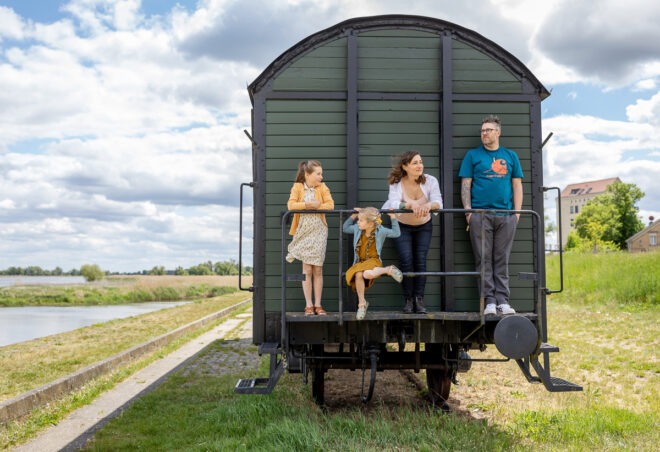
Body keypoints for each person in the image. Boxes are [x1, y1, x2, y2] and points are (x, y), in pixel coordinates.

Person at [458, 115, 523, 316]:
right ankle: (489, 302)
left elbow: (517, 185)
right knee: (483, 259)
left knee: (501, 259)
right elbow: (465, 184)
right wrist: (469, 213)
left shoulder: (510, 156)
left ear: (498, 132)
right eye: (482, 130)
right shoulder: (472, 155)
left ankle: (503, 301)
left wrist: (517, 214)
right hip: (480, 215)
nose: (484, 133)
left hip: (506, 216)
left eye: (488, 130)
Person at [383, 151, 443, 314]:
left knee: (420, 260)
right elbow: (393, 202)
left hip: (424, 225)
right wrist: (409, 206)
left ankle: (419, 299)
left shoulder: (430, 180)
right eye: (415, 163)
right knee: (406, 259)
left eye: (421, 162)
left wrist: (427, 206)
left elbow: (438, 201)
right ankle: (408, 300)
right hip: (401, 225)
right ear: (405, 166)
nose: (419, 166)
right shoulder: (396, 182)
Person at [286, 160, 334, 316]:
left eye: (321, 173)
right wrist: (307, 205)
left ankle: (318, 305)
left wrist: (317, 205)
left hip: (319, 230)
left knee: (318, 269)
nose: (321, 176)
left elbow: (330, 205)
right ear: (307, 174)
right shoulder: (298, 187)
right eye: (318, 174)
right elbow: (291, 205)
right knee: (306, 268)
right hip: (303, 231)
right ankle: (309, 305)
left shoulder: (323, 187)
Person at [343, 207, 403, 320]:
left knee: (366, 274)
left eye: (361, 220)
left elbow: (396, 233)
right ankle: (362, 304)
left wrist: (393, 218)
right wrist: (353, 216)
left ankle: (388, 270)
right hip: (360, 262)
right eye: (358, 220)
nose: (358, 222)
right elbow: (345, 228)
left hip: (373, 260)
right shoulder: (357, 229)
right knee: (359, 274)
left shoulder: (381, 231)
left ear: (370, 224)